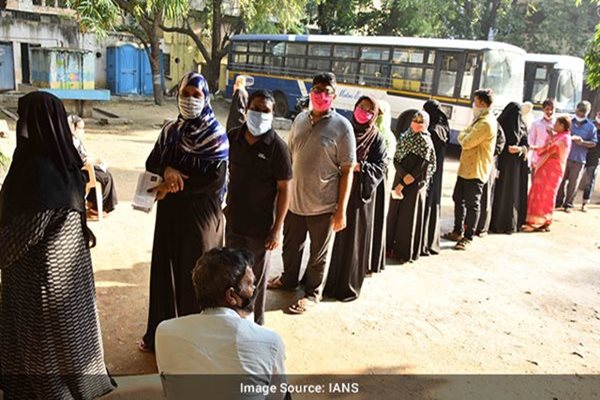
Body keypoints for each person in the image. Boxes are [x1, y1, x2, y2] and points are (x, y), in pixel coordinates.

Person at [0, 92, 115, 399]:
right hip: (68, 281)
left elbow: (22, 236)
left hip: (41, 289)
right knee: (67, 351)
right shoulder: (64, 163)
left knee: (44, 360)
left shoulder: (37, 173)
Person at [140, 72, 229, 352]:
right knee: (165, 274)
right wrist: (167, 171)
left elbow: (213, 182)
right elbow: (152, 161)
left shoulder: (216, 135)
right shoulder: (170, 131)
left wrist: (172, 187)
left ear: (206, 98)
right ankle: (161, 335)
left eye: (196, 95)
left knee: (197, 277)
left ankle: (195, 342)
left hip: (201, 217)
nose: (190, 100)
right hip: (170, 215)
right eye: (185, 94)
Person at [267, 72, 356, 314]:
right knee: (290, 247)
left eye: (327, 91)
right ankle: (288, 280)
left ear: (334, 96)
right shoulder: (299, 120)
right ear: (310, 92)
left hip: (324, 207)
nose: (321, 95)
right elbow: (289, 156)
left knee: (318, 255)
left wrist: (341, 211)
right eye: (317, 90)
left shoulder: (343, 128)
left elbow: (347, 171)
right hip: (294, 203)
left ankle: (312, 294)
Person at [155, 248, 286, 399]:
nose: (254, 289)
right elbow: (278, 395)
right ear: (231, 295)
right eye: (250, 284)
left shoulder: (165, 332)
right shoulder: (270, 342)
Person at [225, 89, 292, 325]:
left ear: (273, 114)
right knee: (232, 274)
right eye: (255, 109)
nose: (259, 114)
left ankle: (255, 326)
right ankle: (234, 322)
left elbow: (285, 190)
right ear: (246, 109)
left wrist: (277, 229)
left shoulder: (278, 148)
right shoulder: (232, 137)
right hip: (233, 222)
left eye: (265, 111)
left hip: (261, 229)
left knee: (255, 280)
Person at [324, 96, 387, 301]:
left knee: (353, 240)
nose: (364, 112)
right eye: (361, 107)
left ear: (375, 115)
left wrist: (358, 167)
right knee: (331, 237)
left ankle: (347, 287)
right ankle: (327, 284)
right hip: (339, 187)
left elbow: (381, 167)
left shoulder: (376, 137)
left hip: (360, 195)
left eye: (369, 110)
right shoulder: (345, 129)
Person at [442, 89, 497, 251]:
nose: (473, 104)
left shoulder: (486, 123)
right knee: (458, 198)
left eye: (475, 101)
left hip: (476, 170)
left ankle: (468, 236)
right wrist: (464, 135)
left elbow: (465, 141)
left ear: (482, 103)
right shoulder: (479, 119)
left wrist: (464, 135)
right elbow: (464, 135)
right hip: (465, 168)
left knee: (472, 204)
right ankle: (457, 230)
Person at [386, 110, 436, 263]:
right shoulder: (405, 136)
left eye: (421, 122)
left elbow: (422, 165)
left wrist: (405, 181)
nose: (417, 124)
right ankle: (389, 247)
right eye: (415, 120)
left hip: (414, 183)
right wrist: (401, 176)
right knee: (394, 213)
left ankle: (404, 252)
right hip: (400, 178)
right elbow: (396, 158)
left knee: (408, 217)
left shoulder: (426, 142)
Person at [523, 117, 572, 232]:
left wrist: (535, 148)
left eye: (557, 123)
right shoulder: (558, 136)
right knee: (539, 192)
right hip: (545, 170)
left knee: (546, 196)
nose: (554, 125)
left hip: (552, 172)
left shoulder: (564, 139)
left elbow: (549, 149)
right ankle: (541, 221)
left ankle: (538, 222)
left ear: (562, 125)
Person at [68, 115, 119, 219]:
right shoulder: (68, 141)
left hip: (86, 166)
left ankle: (94, 205)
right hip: (78, 171)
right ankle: (96, 207)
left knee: (106, 174)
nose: (82, 131)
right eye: (80, 128)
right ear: (72, 128)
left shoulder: (77, 140)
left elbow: (84, 153)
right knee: (105, 178)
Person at [489, 102, 529, 234]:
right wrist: (506, 149)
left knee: (513, 194)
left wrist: (520, 149)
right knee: (501, 193)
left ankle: (511, 223)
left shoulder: (523, 125)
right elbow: (497, 143)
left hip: (516, 168)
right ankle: (497, 223)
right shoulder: (500, 125)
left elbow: (526, 144)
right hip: (502, 164)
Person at [555, 101, 598, 212]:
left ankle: (568, 204)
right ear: (576, 110)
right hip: (564, 156)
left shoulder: (590, 127)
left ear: (587, 113)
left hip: (579, 159)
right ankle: (558, 201)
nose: (580, 115)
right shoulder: (569, 122)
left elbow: (594, 143)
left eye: (583, 113)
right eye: (579, 112)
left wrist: (582, 142)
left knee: (573, 183)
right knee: (561, 181)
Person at [370, 100, 397, 273]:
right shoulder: (367, 132)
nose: (377, 117)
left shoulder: (385, 136)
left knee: (375, 219)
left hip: (377, 181)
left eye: (380, 113)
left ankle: (371, 261)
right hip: (372, 180)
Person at [422, 100, 450, 255]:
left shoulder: (433, 131)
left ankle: (423, 242)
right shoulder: (443, 127)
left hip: (429, 173)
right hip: (437, 173)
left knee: (427, 205)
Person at [474, 122, 505, 237]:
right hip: (476, 164)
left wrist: (489, 152)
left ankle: (482, 227)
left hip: (488, 163)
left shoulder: (493, 124)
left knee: (485, 196)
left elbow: (500, 143)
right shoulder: (480, 122)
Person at [528, 98, 555, 172]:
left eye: (552, 109)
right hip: (537, 158)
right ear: (543, 109)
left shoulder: (557, 124)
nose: (550, 112)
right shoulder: (536, 123)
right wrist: (531, 159)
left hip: (551, 159)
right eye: (547, 109)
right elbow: (531, 141)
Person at [581, 111, 600, 211]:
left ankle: (585, 202)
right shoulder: (589, 124)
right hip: (581, 155)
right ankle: (565, 202)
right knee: (572, 179)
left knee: (589, 182)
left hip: (594, 159)